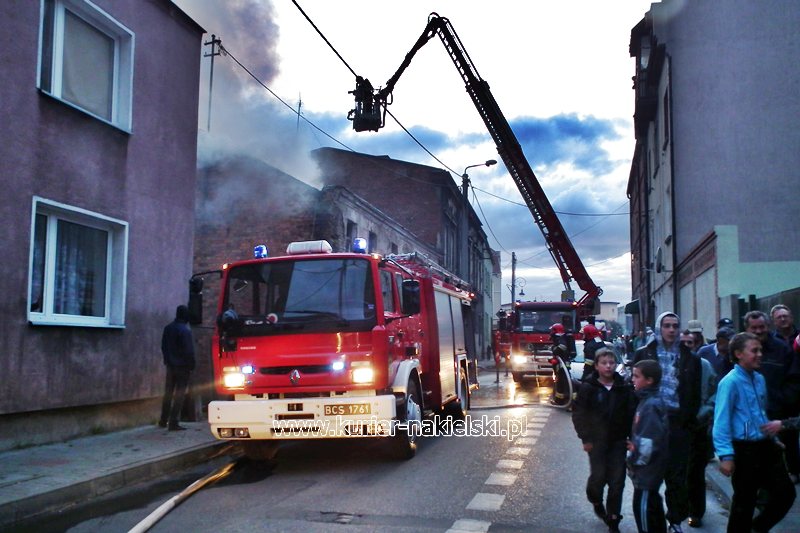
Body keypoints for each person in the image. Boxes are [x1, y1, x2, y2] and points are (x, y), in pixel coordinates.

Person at [713, 332, 796, 532]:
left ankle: (757, 528)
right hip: (744, 450)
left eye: (760, 350)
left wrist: (772, 438)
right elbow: (721, 422)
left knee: (786, 494)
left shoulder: (759, 379)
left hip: (765, 447)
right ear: (739, 354)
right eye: (754, 351)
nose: (760, 354)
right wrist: (726, 455)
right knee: (744, 502)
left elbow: (760, 413)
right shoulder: (730, 382)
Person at [632, 312, 702, 533]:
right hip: (651, 420)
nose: (671, 330)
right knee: (650, 474)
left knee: (676, 477)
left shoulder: (690, 358)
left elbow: (694, 394)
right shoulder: (645, 353)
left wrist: (688, 423)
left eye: (675, 326)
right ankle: (653, 519)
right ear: (659, 328)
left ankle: (675, 520)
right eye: (667, 326)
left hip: (678, 423)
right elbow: (634, 388)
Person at [572, 348, 636, 532]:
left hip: (618, 441)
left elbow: (631, 414)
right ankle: (595, 498)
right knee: (598, 477)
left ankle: (613, 518)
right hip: (596, 442)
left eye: (611, 362)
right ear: (597, 366)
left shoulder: (623, 388)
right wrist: (586, 438)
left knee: (617, 481)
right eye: (604, 363)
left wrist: (632, 438)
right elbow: (579, 414)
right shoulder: (589, 388)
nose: (608, 366)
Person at [744, 310, 798, 481]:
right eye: (754, 328)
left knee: (785, 449)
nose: (758, 331)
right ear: (747, 329)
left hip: (779, 412)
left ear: (768, 326)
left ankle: (792, 473)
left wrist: (781, 401)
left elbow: (794, 379)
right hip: (750, 414)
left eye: (762, 327)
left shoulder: (783, 349)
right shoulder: (741, 349)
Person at [680, 331, 717, 528]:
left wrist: (704, 413)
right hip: (678, 427)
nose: (686, 346)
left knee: (696, 471)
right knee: (679, 470)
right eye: (683, 343)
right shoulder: (673, 366)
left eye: (690, 343)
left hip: (699, 426)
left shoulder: (704, 366)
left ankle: (696, 511)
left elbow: (714, 393)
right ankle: (680, 505)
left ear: (696, 344)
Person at [627, 359, 669, 533]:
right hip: (648, 470)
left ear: (649, 380)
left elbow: (647, 443)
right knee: (652, 504)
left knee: (643, 508)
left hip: (647, 471)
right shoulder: (646, 400)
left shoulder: (651, 405)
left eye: (637, 376)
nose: (632, 379)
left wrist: (633, 460)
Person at [159, 305, 196, 431]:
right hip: (182, 367)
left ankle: (163, 420)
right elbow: (189, 351)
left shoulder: (168, 328)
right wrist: (191, 365)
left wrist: (167, 360)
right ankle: (173, 422)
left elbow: (163, 346)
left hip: (170, 366)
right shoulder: (185, 331)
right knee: (180, 394)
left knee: (168, 393)